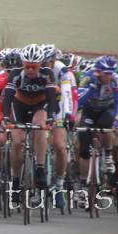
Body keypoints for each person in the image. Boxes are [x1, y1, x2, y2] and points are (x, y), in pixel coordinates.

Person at [2, 44, 56, 201]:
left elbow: (52, 99)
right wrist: (5, 117)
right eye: (27, 66)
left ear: (40, 65)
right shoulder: (15, 74)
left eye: (34, 66)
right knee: (17, 141)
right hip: (19, 105)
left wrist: (51, 117)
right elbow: (8, 98)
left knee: (40, 125)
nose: (30, 70)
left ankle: (40, 168)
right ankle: (16, 179)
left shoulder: (48, 74)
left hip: (39, 105)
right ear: (22, 64)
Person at [41, 44, 77, 209]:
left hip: (59, 106)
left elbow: (67, 93)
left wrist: (68, 114)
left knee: (61, 146)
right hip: (41, 105)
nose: (46, 65)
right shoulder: (36, 69)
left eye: (49, 61)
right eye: (44, 62)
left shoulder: (62, 70)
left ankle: (60, 185)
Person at [77, 56, 118, 197]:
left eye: (111, 72)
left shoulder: (115, 80)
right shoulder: (87, 79)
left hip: (107, 110)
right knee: (84, 148)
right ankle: (83, 184)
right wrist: (90, 90)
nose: (109, 75)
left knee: (107, 125)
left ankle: (107, 155)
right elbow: (79, 102)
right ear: (98, 72)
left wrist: (116, 120)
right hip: (89, 112)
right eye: (106, 73)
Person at [0, 48, 22, 190]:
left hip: (18, 111)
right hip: (0, 110)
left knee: (19, 143)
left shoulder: (25, 78)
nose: (12, 74)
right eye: (8, 71)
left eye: (15, 70)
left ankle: (19, 173)